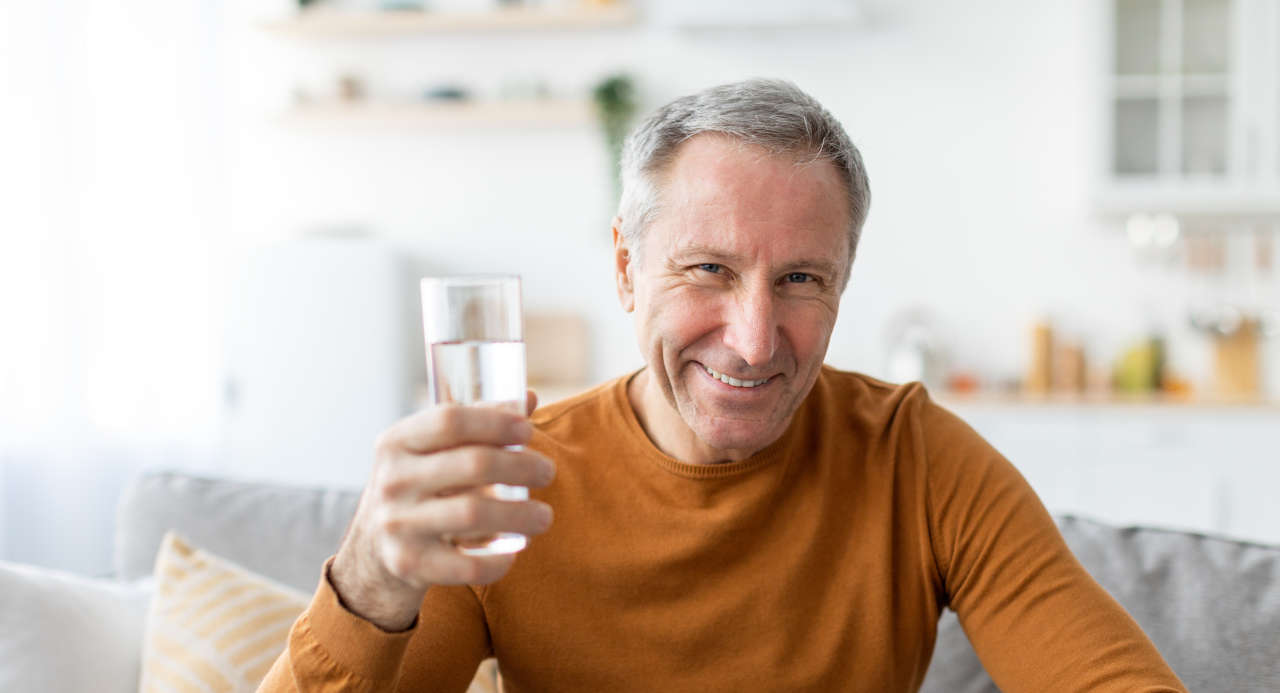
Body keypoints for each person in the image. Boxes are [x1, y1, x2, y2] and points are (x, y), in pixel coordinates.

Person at [261, 79, 1186, 692]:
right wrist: (369, 580)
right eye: (707, 269)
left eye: (800, 280)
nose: (752, 341)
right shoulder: (510, 484)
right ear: (626, 268)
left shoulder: (916, 458)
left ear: (843, 282)